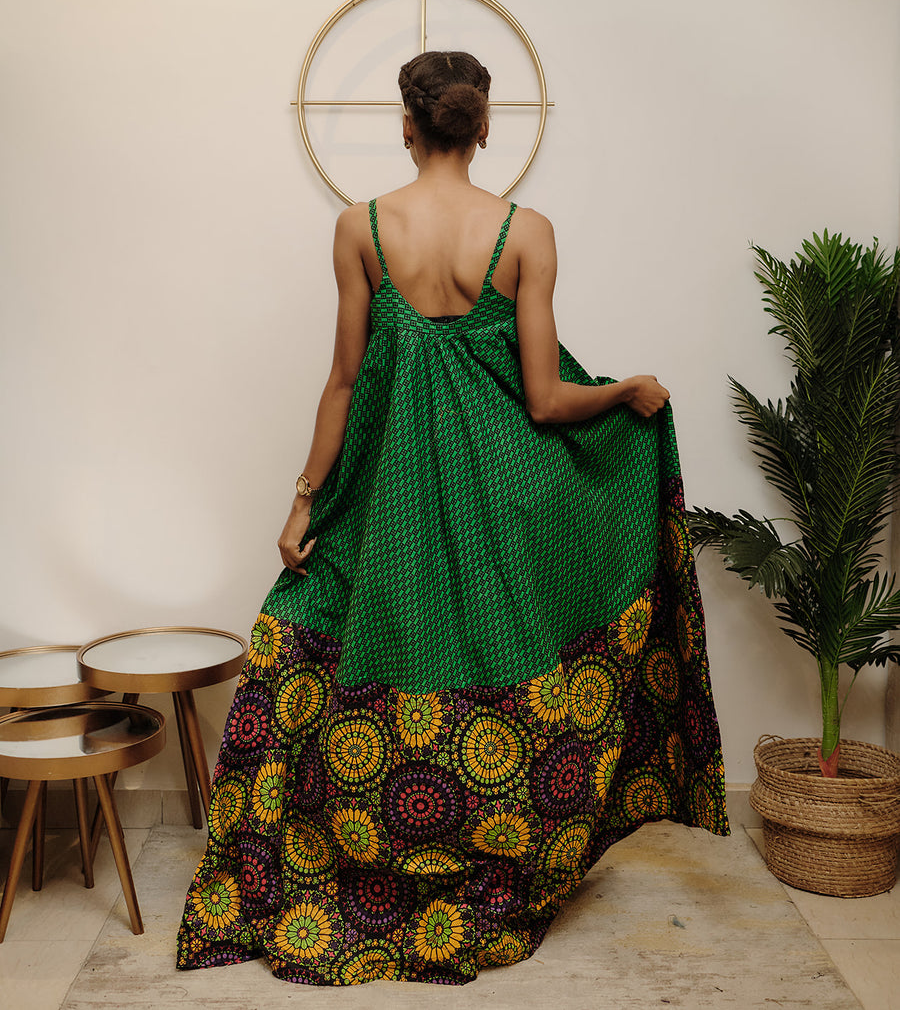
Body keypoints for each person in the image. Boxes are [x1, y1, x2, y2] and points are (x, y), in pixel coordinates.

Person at [176, 51, 729, 986]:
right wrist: (626, 389)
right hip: (498, 498)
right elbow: (547, 400)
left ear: (407, 125)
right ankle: (487, 858)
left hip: (380, 499)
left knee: (320, 650)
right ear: (482, 129)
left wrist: (303, 498)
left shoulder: (360, 228)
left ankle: (355, 858)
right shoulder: (526, 233)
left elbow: (344, 380)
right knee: (496, 665)